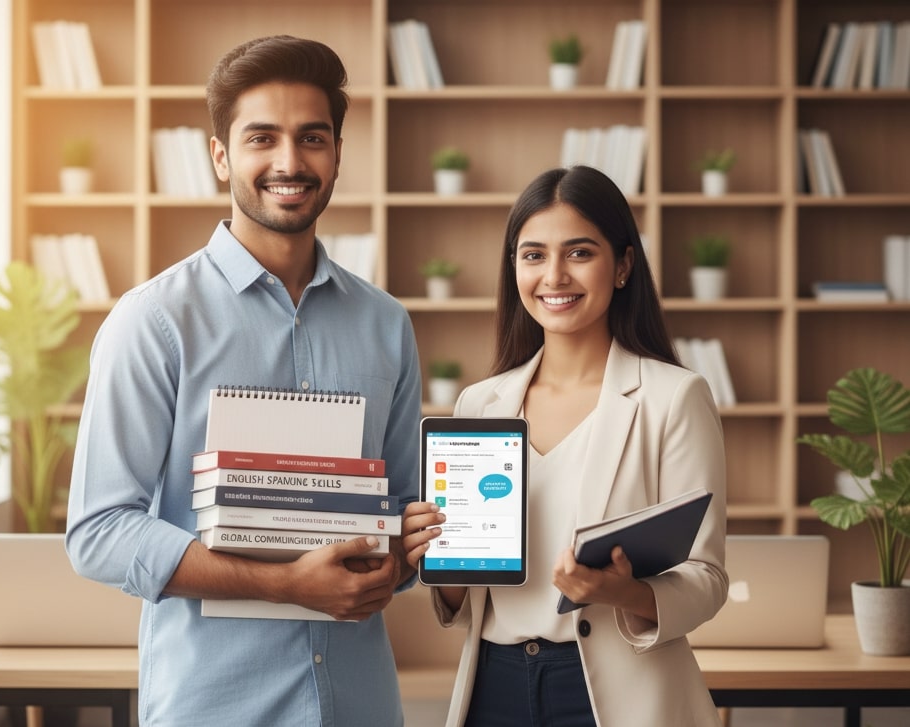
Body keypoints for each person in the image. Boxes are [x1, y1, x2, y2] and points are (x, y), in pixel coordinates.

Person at [65, 35, 422, 726]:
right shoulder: (153, 322)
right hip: (214, 707)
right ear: (221, 155)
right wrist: (285, 584)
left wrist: (399, 561)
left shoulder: (386, 324)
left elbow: (403, 508)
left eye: (312, 137)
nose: (289, 162)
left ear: (339, 154)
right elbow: (99, 530)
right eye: (263, 137)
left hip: (362, 705)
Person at [401, 165, 729, 727]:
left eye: (579, 253)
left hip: (615, 691)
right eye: (533, 255)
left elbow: (707, 579)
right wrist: (438, 558)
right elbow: (464, 598)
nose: (554, 275)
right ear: (514, 268)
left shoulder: (673, 398)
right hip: (495, 686)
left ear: (623, 265)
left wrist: (622, 592)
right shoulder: (480, 404)